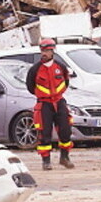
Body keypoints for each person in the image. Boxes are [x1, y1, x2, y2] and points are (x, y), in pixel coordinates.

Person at [27, 38, 74, 171]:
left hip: (59, 102)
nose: (44, 53)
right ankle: (46, 161)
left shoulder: (60, 67)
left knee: (66, 130)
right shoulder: (35, 69)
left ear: (52, 51)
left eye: (47, 50)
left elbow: (66, 81)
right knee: (44, 133)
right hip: (44, 104)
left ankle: (65, 157)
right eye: (42, 50)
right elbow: (30, 86)